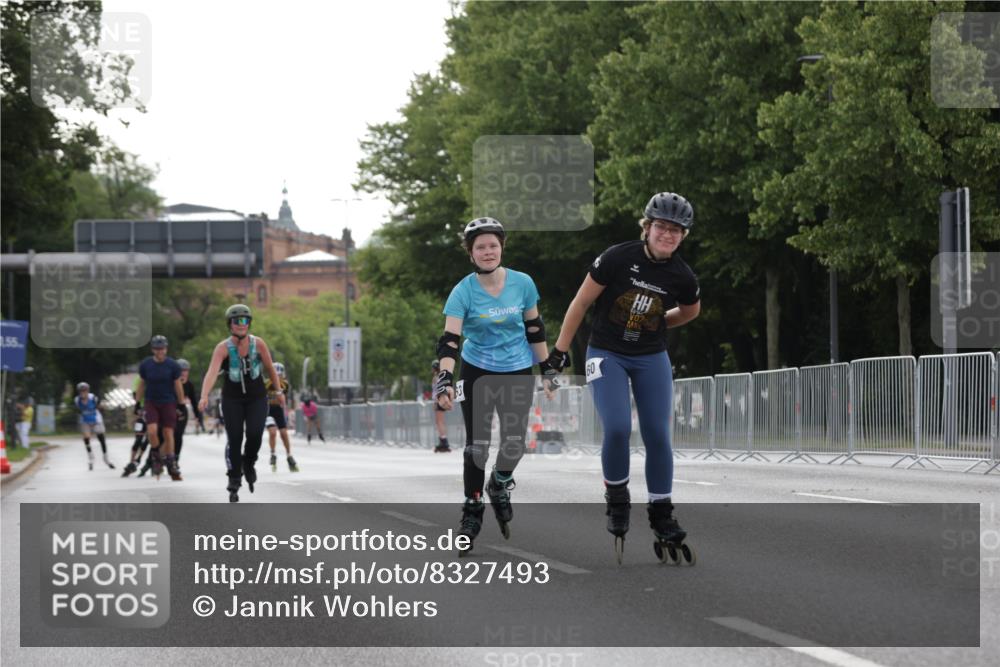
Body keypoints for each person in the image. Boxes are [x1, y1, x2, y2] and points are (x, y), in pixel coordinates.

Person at [547, 192, 701, 565]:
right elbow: (581, 303)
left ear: (683, 236)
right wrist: (559, 352)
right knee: (616, 428)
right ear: (647, 227)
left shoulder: (681, 275)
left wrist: (658, 322)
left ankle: (662, 515)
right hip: (607, 353)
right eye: (662, 227)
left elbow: (691, 311)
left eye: (676, 230)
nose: (668, 235)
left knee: (658, 434)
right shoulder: (617, 257)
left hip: (651, 356)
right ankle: (617, 500)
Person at [435, 217, 557, 554]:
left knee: (515, 443)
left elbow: (535, 328)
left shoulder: (522, 283)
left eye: (493, 245)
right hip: (477, 370)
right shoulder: (462, 291)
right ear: (471, 253)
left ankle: (499, 483)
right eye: (480, 247)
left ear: (501, 247)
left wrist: (547, 369)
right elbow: (449, 341)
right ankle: (471, 510)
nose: (488, 251)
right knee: (478, 445)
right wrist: (445, 378)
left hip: (518, 368)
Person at [198, 304, 285, 503]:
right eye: (236, 321)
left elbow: (270, 368)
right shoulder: (223, 348)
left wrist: (278, 391)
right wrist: (204, 395)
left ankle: (249, 463)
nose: (241, 325)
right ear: (230, 324)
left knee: (254, 434)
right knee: (235, 438)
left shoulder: (259, 344)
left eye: (244, 321)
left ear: (249, 323)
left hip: (256, 398)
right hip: (232, 400)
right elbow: (212, 372)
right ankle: (234, 479)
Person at [137, 335, 185, 481]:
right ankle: (157, 456)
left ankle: (171, 462)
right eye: (157, 349)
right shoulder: (146, 365)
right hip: (151, 401)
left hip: (168, 402)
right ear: (153, 350)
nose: (160, 351)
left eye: (162, 348)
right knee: (151, 431)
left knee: (168, 432)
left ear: (166, 349)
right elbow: (141, 384)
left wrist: (181, 404)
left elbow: (178, 385)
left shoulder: (172, 365)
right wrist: (137, 403)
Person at [265, 361, 298, 472]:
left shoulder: (285, 384)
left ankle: (289, 455)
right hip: (268, 411)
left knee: (284, 433)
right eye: (275, 375)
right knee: (273, 432)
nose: (278, 377)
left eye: (279, 375)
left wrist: (289, 409)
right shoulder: (266, 383)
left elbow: (285, 396)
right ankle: (273, 453)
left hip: (279, 411)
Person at [74, 382, 115, 470]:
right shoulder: (77, 400)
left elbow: (100, 407)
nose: (83, 393)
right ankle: (91, 457)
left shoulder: (93, 398)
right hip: (85, 420)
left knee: (101, 439)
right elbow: (78, 410)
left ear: (88, 391)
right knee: (86, 438)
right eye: (81, 391)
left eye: (85, 391)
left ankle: (106, 458)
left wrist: (103, 407)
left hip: (96, 420)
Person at [174, 358, 202, 464]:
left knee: (178, 435)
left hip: (181, 410)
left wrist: (198, 416)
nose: (183, 373)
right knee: (164, 435)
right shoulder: (170, 382)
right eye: (180, 370)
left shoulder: (189, 385)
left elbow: (194, 401)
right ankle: (153, 459)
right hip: (169, 409)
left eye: (185, 370)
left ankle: (175, 459)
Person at [430, 360, 451, 453]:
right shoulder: (443, 377)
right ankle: (443, 439)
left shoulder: (436, 378)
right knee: (440, 421)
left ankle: (444, 441)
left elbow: (436, 391)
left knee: (439, 422)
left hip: (438, 400)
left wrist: (435, 402)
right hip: (442, 399)